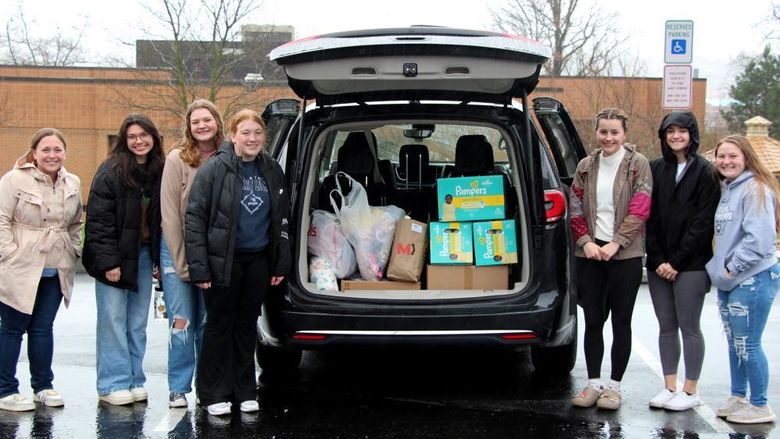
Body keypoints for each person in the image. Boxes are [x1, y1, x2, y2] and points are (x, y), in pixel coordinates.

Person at [185, 109, 290, 416]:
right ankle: (213, 392)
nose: (252, 139)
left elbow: (281, 218)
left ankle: (244, 389)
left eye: (257, 133)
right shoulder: (215, 169)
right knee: (219, 326)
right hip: (223, 262)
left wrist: (280, 263)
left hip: (258, 261)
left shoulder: (271, 169)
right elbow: (194, 219)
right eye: (245, 133)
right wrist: (200, 267)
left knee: (246, 327)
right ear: (232, 136)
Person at [569, 108, 652, 410]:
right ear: (596, 133)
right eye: (603, 131)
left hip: (625, 254)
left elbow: (640, 208)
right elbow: (575, 204)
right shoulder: (586, 165)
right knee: (592, 319)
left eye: (614, 132)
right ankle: (593, 384)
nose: (608, 137)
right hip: (591, 252)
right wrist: (585, 242)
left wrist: (617, 243)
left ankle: (614, 387)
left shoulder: (637, 165)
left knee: (621, 321)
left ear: (624, 134)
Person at [83, 114, 164, 406]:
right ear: (124, 140)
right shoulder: (111, 172)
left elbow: (159, 223)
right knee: (113, 321)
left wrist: (157, 259)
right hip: (114, 259)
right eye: (132, 136)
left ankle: (134, 379)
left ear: (153, 137)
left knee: (136, 323)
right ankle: (112, 383)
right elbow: (98, 223)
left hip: (143, 257)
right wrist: (108, 264)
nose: (139, 141)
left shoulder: (159, 171)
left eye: (144, 135)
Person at [0, 129, 82, 411]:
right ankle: (6, 389)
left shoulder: (72, 182)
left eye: (57, 149)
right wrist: (9, 254)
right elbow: (1, 219)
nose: (52, 155)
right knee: (12, 329)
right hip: (20, 267)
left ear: (65, 153)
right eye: (45, 149)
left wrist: (73, 251)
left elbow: (75, 224)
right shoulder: (13, 180)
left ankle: (43, 386)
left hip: (55, 268)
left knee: (42, 329)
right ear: (33, 153)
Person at [644, 112, 720, 411]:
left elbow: (703, 222)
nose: (676, 136)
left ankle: (690, 391)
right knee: (666, 326)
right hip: (658, 263)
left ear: (692, 134)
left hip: (691, 265)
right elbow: (648, 217)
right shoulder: (654, 168)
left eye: (682, 131)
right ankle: (669, 386)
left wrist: (675, 262)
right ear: (663, 135)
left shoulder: (706, 172)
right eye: (670, 131)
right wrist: (659, 258)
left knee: (689, 326)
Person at [706, 135, 780, 424]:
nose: (726, 161)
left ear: (746, 157)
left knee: (748, 343)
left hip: (752, 278)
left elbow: (759, 241)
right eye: (721, 156)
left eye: (733, 156)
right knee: (735, 343)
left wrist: (730, 270)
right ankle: (739, 396)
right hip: (731, 281)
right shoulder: (729, 189)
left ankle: (760, 405)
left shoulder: (755, 189)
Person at [160, 99, 224, 408]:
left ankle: (206, 385)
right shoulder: (177, 159)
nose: (201, 125)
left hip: (213, 251)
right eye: (195, 121)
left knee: (208, 322)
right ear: (188, 127)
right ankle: (178, 386)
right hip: (178, 247)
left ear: (216, 122)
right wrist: (182, 264)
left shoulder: (229, 155)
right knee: (182, 319)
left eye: (206, 119)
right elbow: (170, 215)